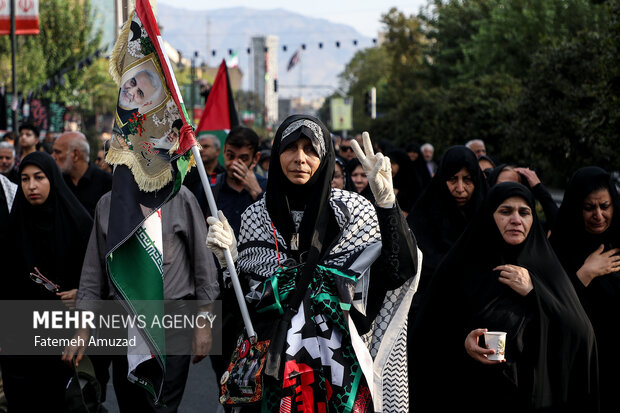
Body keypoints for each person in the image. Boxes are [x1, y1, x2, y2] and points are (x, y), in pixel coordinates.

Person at [206, 116, 419, 411]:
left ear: (325, 156)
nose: (300, 159)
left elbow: (397, 273)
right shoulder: (256, 216)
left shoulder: (354, 212)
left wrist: (386, 206)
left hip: (341, 375)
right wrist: (229, 261)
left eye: (311, 149)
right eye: (291, 148)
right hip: (273, 375)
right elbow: (243, 306)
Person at [410, 182, 598, 412]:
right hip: (470, 394)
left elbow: (581, 333)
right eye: (506, 211)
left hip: (533, 397)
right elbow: (427, 332)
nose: (516, 220)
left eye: (524, 212)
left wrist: (535, 292)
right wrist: (464, 343)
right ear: (490, 216)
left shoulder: (546, 269)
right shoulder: (460, 266)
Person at [69, 180, 219, 412]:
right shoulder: (108, 204)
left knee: (162, 406)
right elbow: (93, 273)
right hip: (124, 322)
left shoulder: (180, 198)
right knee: (131, 404)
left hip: (172, 321)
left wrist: (204, 322)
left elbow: (204, 266)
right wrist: (82, 329)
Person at [0, 152, 93, 412]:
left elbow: (96, 278)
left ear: (52, 178)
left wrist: (82, 295)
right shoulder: (15, 225)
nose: (31, 186)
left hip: (63, 336)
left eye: (39, 178)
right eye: (25, 179)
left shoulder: (79, 223)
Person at [550, 166, 620, 412]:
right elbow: (552, 308)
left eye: (605, 206)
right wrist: (585, 274)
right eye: (589, 208)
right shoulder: (559, 247)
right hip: (578, 367)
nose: (598, 215)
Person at [407, 145, 487, 296]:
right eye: (452, 179)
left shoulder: (488, 214)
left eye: (468, 179)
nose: (460, 188)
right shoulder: (425, 215)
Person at [196, 126, 267, 234]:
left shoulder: (266, 187)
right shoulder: (209, 186)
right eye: (230, 156)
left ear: (255, 158)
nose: (234, 163)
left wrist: (257, 194)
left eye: (243, 159)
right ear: (224, 152)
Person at [52, 131, 112, 217]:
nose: (53, 157)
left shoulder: (108, 183)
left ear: (76, 154)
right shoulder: (57, 182)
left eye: (57, 152)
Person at [488, 164, 558, 231]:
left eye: (514, 186)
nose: (516, 221)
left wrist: (538, 187)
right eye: (502, 185)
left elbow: (558, 224)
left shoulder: (531, 227)